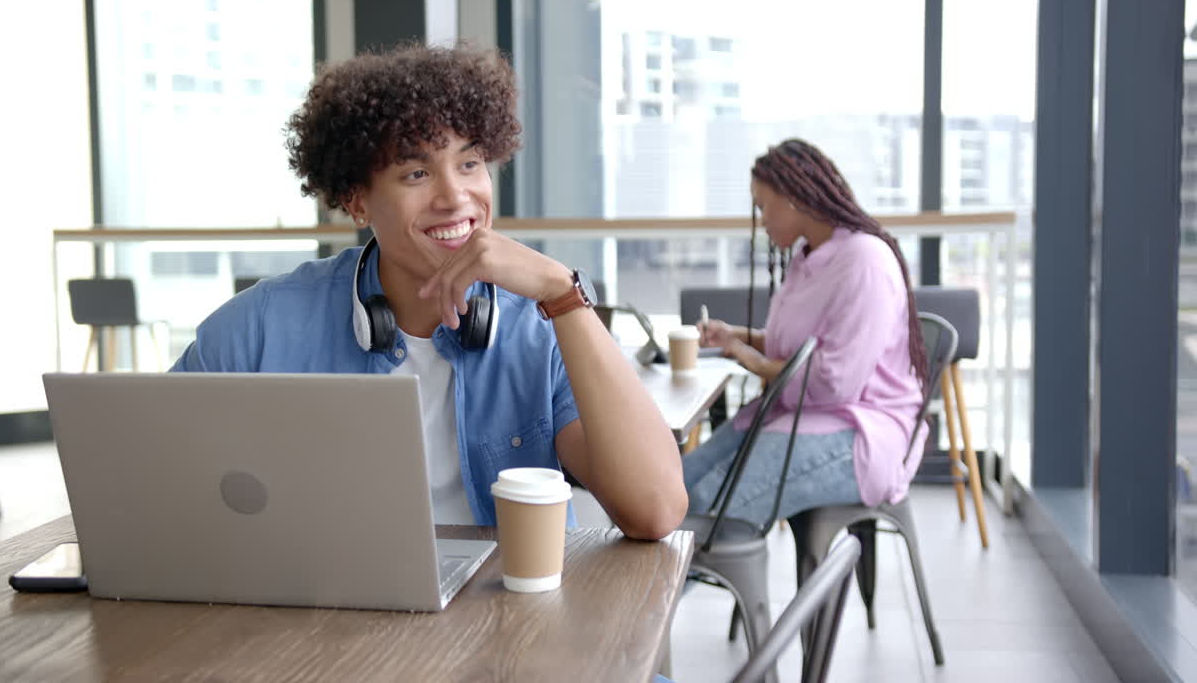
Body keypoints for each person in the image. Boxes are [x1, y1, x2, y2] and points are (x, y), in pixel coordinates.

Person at [171, 43, 687, 541]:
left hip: (507, 618)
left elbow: (656, 509)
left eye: (469, 163)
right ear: (357, 203)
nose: (455, 196)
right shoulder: (264, 324)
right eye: (416, 172)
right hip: (326, 618)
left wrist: (561, 291)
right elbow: (149, 475)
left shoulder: (539, 323)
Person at [685, 138, 928, 525]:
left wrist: (750, 358)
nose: (761, 220)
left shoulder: (865, 261)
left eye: (764, 206)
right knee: (675, 486)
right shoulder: (806, 258)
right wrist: (738, 337)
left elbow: (834, 381)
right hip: (795, 415)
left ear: (793, 196)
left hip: (861, 432)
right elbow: (799, 349)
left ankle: (665, 583)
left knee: (707, 499)